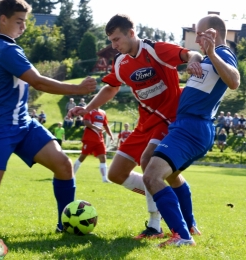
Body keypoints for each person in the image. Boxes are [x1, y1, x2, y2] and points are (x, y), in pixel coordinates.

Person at [70, 14, 203, 239]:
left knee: (146, 162)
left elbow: (191, 53)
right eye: (111, 41)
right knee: (116, 173)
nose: (114, 45)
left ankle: (155, 226)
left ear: (132, 33)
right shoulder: (121, 62)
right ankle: (163, 194)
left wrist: (192, 60)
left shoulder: (155, 50)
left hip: (168, 118)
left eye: (117, 39)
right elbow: (111, 88)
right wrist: (88, 108)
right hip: (145, 123)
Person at [0, 0, 96, 234]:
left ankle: (65, 226)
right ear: (3, 19)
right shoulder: (7, 49)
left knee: (64, 166)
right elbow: (37, 81)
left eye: (25, 22)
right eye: (19, 21)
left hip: (23, 123)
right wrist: (78, 89)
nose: (23, 27)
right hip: (3, 126)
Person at [143, 14, 240, 247]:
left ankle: (182, 235)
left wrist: (213, 53)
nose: (196, 37)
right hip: (187, 126)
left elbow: (235, 81)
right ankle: (190, 226)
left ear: (214, 33)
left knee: (151, 176)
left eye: (199, 32)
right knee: (167, 172)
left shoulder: (223, 54)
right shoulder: (209, 58)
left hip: (192, 128)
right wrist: (198, 62)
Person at [72, 107, 114, 182]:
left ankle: (104, 179)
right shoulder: (88, 111)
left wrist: (111, 135)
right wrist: (96, 127)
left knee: (103, 158)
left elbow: (106, 125)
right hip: (89, 138)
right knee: (82, 157)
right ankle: (71, 175)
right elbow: (86, 122)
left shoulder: (103, 112)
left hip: (99, 139)